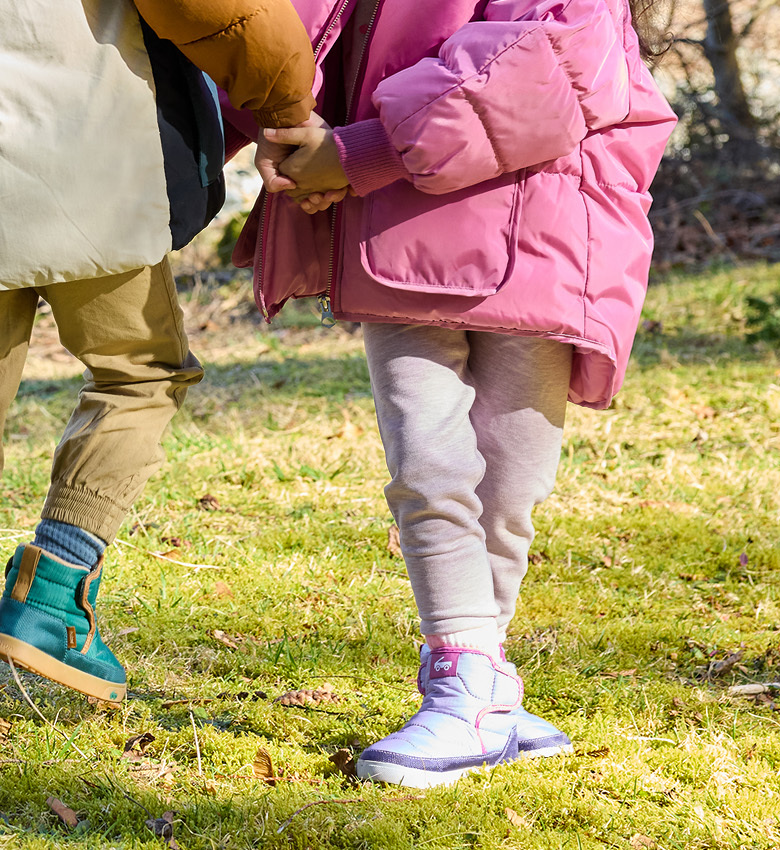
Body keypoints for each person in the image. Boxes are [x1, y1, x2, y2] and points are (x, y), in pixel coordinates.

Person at [0, 0, 317, 757]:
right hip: (79, 157)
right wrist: (288, 100)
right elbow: (221, 11)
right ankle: (54, 597)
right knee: (142, 374)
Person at [229, 0, 676, 787]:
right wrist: (257, 129)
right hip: (394, 241)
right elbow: (274, 33)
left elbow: (549, 62)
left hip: (536, 238)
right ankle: (465, 673)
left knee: (510, 478)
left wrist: (357, 150)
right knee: (427, 463)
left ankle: (483, 677)